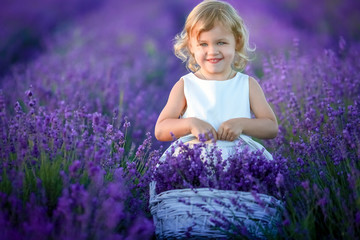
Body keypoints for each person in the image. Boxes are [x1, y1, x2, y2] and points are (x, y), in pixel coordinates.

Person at [154, 0, 278, 161]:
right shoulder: (186, 85)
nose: (212, 51)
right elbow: (161, 130)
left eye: (221, 42)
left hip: (239, 161)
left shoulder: (247, 84)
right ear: (191, 46)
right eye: (203, 44)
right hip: (194, 161)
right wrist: (191, 124)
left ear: (237, 42)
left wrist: (242, 124)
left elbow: (271, 127)